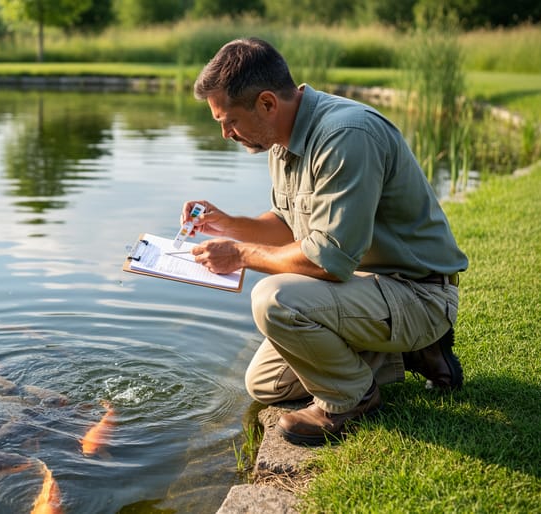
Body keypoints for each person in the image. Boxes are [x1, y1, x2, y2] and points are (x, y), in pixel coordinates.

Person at [181, 37, 468, 446]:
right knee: (265, 384)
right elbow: (287, 225)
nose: (226, 133)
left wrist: (242, 256)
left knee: (274, 300)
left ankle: (351, 398)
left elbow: (327, 260)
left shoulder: (346, 135)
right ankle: (411, 354)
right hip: (368, 289)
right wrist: (226, 225)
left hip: (418, 294)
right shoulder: (280, 139)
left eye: (228, 120)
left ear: (266, 104)